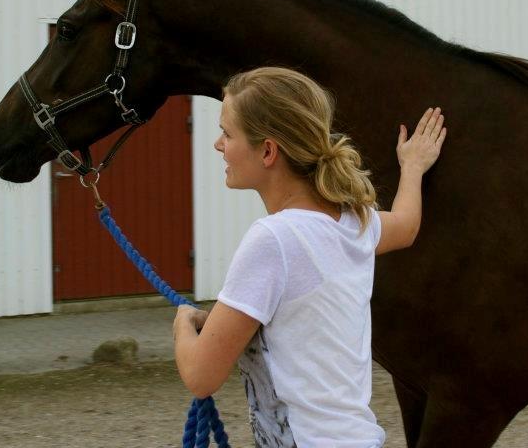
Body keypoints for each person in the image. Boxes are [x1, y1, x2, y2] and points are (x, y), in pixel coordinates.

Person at [173, 66, 446, 447]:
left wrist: (183, 324)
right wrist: (413, 167)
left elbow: (201, 375)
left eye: (227, 133)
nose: (219, 144)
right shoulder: (355, 224)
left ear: (268, 150)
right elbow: (406, 224)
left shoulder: (273, 240)